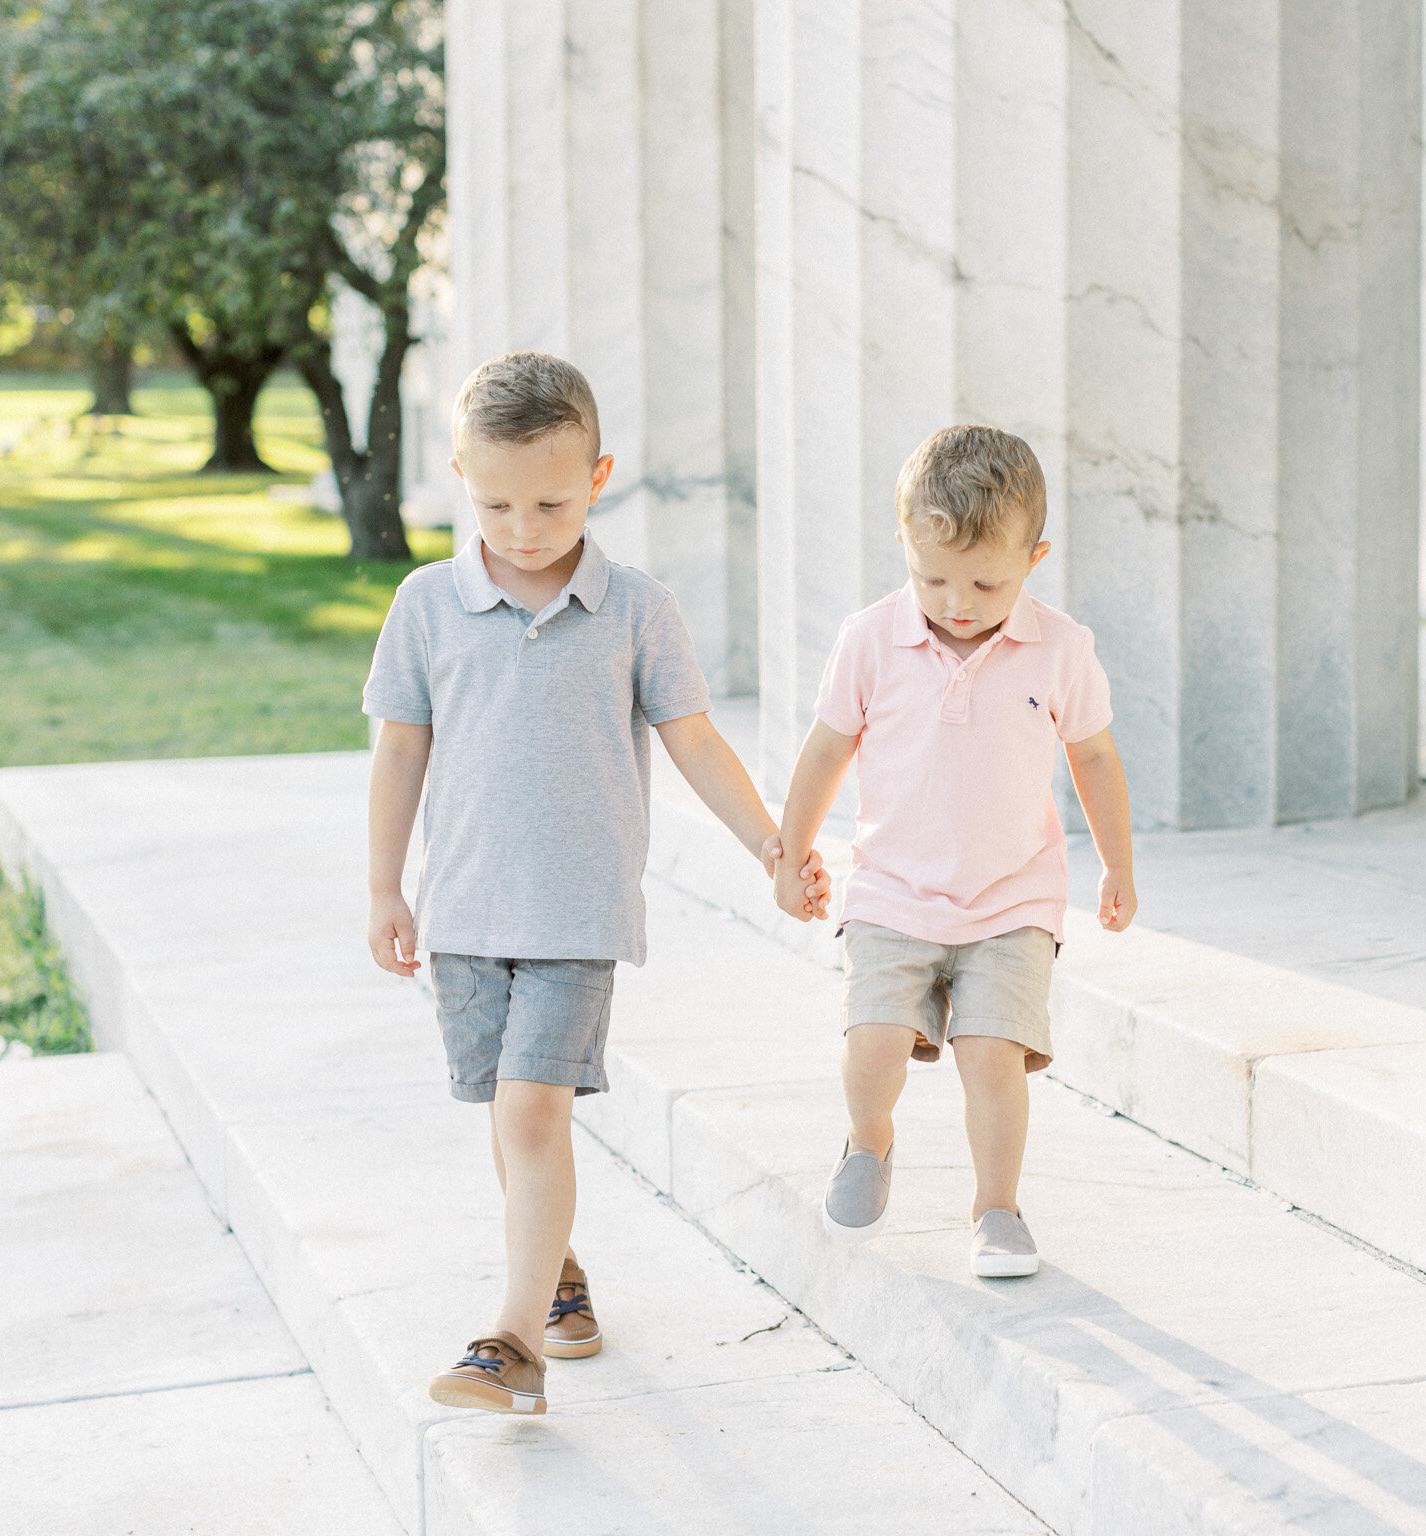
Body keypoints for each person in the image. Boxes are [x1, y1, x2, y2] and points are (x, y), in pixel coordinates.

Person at [363, 351, 828, 1415]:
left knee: (531, 1111)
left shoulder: (632, 611)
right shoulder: (427, 604)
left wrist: (771, 843)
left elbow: (696, 740)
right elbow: (399, 752)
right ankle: (558, 1277)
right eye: (494, 502)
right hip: (465, 915)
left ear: (599, 476)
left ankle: (510, 1339)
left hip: (576, 914)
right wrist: (386, 888)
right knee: (507, 1116)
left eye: (551, 501)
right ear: (457, 478)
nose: (523, 526)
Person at [771, 424, 1136, 1279]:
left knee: (991, 1058)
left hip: (1011, 896)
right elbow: (826, 751)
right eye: (931, 577)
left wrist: (1117, 865)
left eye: (987, 581)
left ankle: (997, 1209)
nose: (958, 601)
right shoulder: (869, 639)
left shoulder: (1061, 648)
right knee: (873, 1041)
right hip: (893, 887)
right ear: (903, 543)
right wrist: (791, 856)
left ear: (1035, 558)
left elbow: (1094, 757)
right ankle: (869, 1143)